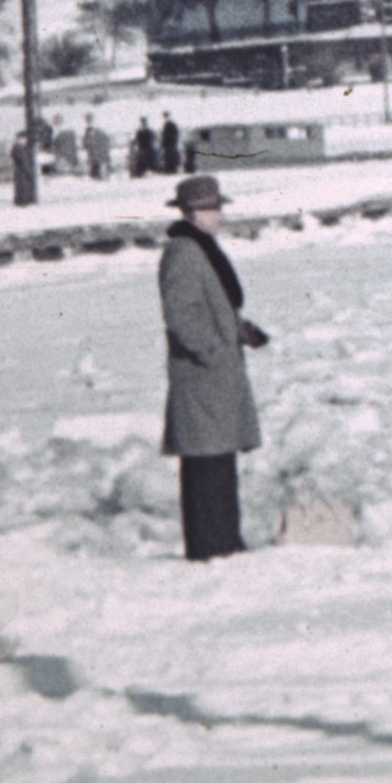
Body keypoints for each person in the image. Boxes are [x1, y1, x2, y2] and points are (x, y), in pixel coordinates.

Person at [158, 174, 269, 561]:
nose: (221, 215)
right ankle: (211, 548)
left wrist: (238, 331)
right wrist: (212, 350)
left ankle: (224, 542)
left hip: (214, 377)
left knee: (218, 462)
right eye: (214, 208)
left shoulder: (200, 247)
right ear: (193, 211)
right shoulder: (185, 252)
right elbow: (182, 315)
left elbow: (212, 307)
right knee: (206, 466)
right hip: (203, 378)